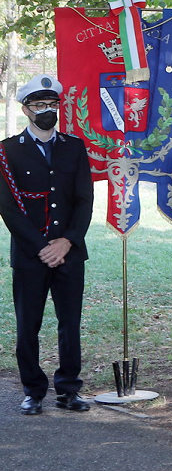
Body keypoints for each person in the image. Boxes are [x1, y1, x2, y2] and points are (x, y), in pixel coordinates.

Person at [0, 75, 93, 415]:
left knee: (70, 324)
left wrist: (66, 241)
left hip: (70, 253)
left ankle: (69, 389)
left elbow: (84, 200)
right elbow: (8, 207)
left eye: (52, 104)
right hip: (30, 255)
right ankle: (33, 391)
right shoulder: (7, 150)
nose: (47, 111)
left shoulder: (74, 147)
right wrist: (42, 247)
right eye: (39, 105)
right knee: (29, 326)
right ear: (26, 110)